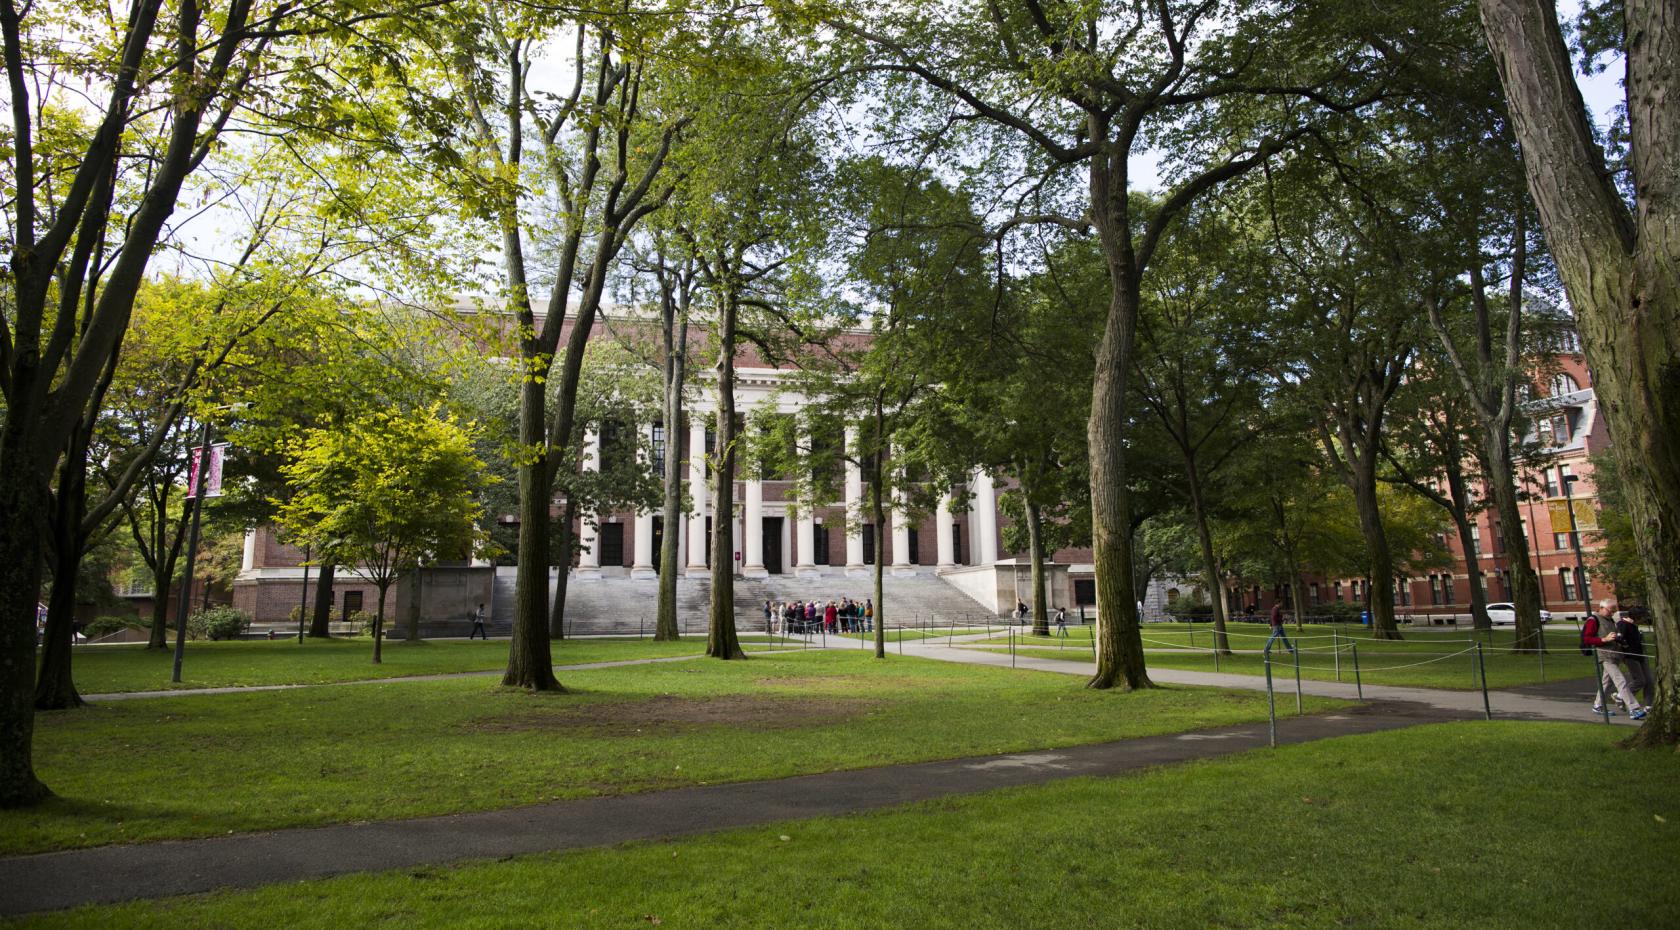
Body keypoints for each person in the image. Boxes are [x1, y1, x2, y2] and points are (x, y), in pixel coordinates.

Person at [1583, 599, 1646, 719]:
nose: (1612, 613)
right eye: (1610, 611)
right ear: (1601, 607)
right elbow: (1587, 638)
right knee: (1620, 680)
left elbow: (1614, 636)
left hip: (1615, 654)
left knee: (1606, 682)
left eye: (1614, 611)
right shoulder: (1593, 620)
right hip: (1605, 655)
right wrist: (1603, 640)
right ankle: (1634, 709)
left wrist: (1619, 640)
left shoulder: (1610, 620)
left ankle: (1598, 705)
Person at [1616, 609, 1654, 709]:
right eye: (1642, 618)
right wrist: (1624, 647)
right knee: (1640, 680)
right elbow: (1619, 639)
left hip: (1640, 655)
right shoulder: (1623, 624)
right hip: (1630, 656)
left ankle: (1649, 705)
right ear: (1637, 617)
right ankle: (1621, 696)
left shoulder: (1634, 625)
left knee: (1649, 681)